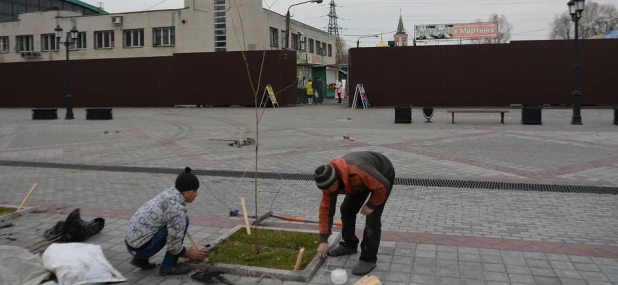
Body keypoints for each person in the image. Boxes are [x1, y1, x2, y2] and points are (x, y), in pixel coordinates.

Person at [314, 151, 395, 275]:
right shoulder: (328, 183)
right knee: (346, 209)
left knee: (372, 218)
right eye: (325, 189)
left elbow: (383, 186)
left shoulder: (358, 170)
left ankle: (368, 259)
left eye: (330, 188)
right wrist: (323, 240)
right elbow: (326, 211)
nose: (328, 191)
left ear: (336, 180)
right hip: (359, 182)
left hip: (382, 175)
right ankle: (349, 244)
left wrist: (371, 204)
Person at [125, 167, 208, 276]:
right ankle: (168, 266)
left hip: (131, 244)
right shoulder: (176, 209)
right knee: (183, 221)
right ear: (184, 191)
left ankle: (140, 260)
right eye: (194, 191)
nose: (196, 194)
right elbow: (174, 246)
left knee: (176, 224)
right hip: (140, 248)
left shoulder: (170, 193)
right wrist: (189, 254)